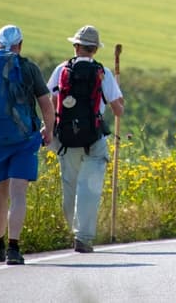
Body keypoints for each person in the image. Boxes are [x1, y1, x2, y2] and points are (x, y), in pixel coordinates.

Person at [0, 24, 55, 265]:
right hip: (25, 139)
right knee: (18, 193)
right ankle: (13, 248)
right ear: (20, 45)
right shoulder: (28, 68)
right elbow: (46, 105)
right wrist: (48, 130)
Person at [48, 24, 125, 253]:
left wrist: (50, 129)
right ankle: (82, 237)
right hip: (93, 138)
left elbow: (50, 102)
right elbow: (119, 111)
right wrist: (118, 99)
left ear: (76, 46)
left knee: (70, 185)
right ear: (95, 49)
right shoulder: (103, 72)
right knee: (89, 189)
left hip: (66, 137)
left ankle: (71, 231)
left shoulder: (62, 70)